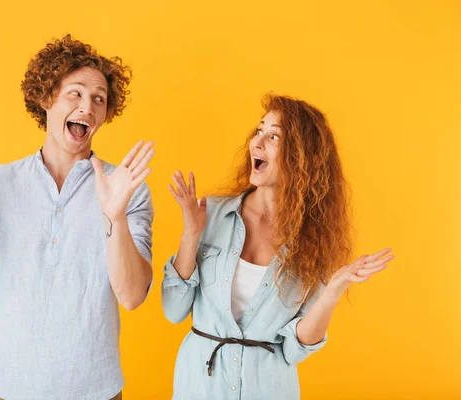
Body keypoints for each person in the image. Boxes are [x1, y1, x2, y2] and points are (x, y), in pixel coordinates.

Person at [0, 34, 154, 400]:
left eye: (99, 99)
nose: (88, 106)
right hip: (5, 388)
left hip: (95, 391)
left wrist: (114, 214)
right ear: (46, 96)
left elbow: (131, 296)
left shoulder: (126, 189)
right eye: (75, 93)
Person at [162, 94, 394, 399]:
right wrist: (191, 234)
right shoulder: (212, 213)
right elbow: (174, 310)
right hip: (201, 386)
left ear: (302, 158)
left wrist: (333, 289)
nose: (256, 143)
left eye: (274, 136)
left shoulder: (314, 243)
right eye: (259, 131)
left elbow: (295, 349)